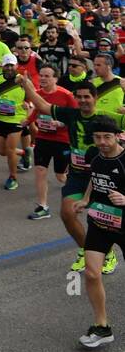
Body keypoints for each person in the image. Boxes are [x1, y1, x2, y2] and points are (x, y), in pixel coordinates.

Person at [20, 77, 118, 274]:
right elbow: (43, 105)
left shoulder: (107, 117)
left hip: (103, 175)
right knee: (67, 213)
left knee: (103, 221)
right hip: (77, 175)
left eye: (87, 97)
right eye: (79, 97)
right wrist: (28, 86)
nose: (83, 100)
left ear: (95, 98)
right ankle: (89, 250)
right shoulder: (71, 114)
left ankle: (107, 252)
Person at [73, 118, 125, 348]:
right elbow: (95, 179)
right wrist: (85, 199)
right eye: (97, 137)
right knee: (92, 274)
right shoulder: (94, 156)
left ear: (118, 136)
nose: (102, 142)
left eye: (107, 137)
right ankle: (102, 327)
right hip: (100, 222)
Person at [27, 64, 77, 220]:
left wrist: (62, 123)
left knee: (60, 176)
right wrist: (27, 120)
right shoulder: (38, 94)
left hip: (62, 140)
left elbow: (76, 117)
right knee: (40, 171)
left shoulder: (66, 95)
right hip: (43, 138)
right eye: (41, 75)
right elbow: (37, 109)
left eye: (47, 76)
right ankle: (43, 206)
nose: (42, 78)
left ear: (56, 78)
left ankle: (80, 190)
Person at [0, 54, 30, 191]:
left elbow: (33, 98)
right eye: (7, 65)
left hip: (16, 120)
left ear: (16, 66)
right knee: (2, 151)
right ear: (3, 66)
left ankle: (13, 177)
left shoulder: (22, 80)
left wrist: (28, 107)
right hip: (0, 119)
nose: (9, 68)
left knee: (10, 150)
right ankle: (24, 153)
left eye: (12, 65)